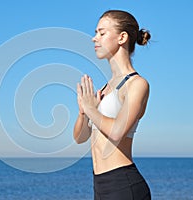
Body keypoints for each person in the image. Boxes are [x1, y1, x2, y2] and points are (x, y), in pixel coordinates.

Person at [73, 10, 151, 200]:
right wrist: (84, 112)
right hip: (100, 186)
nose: (94, 38)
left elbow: (117, 132)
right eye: (96, 33)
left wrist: (92, 109)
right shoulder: (105, 88)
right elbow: (80, 138)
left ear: (122, 37)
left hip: (123, 184)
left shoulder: (137, 84)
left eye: (102, 33)